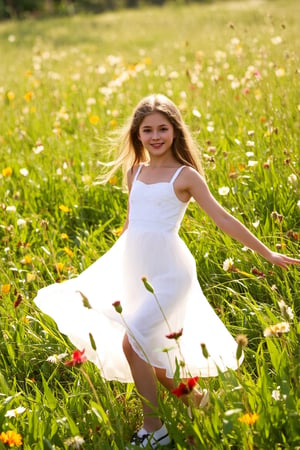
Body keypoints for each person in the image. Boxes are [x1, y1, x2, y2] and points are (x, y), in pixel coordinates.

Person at [34, 94, 300, 449]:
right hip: (136, 270)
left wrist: (265, 252)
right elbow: (131, 226)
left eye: (163, 128)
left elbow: (222, 218)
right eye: (148, 130)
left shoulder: (185, 175)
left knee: (135, 342)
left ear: (175, 131)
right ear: (137, 134)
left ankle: (154, 429)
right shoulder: (136, 172)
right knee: (149, 357)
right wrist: (103, 271)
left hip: (171, 273)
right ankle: (199, 401)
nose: (155, 135)